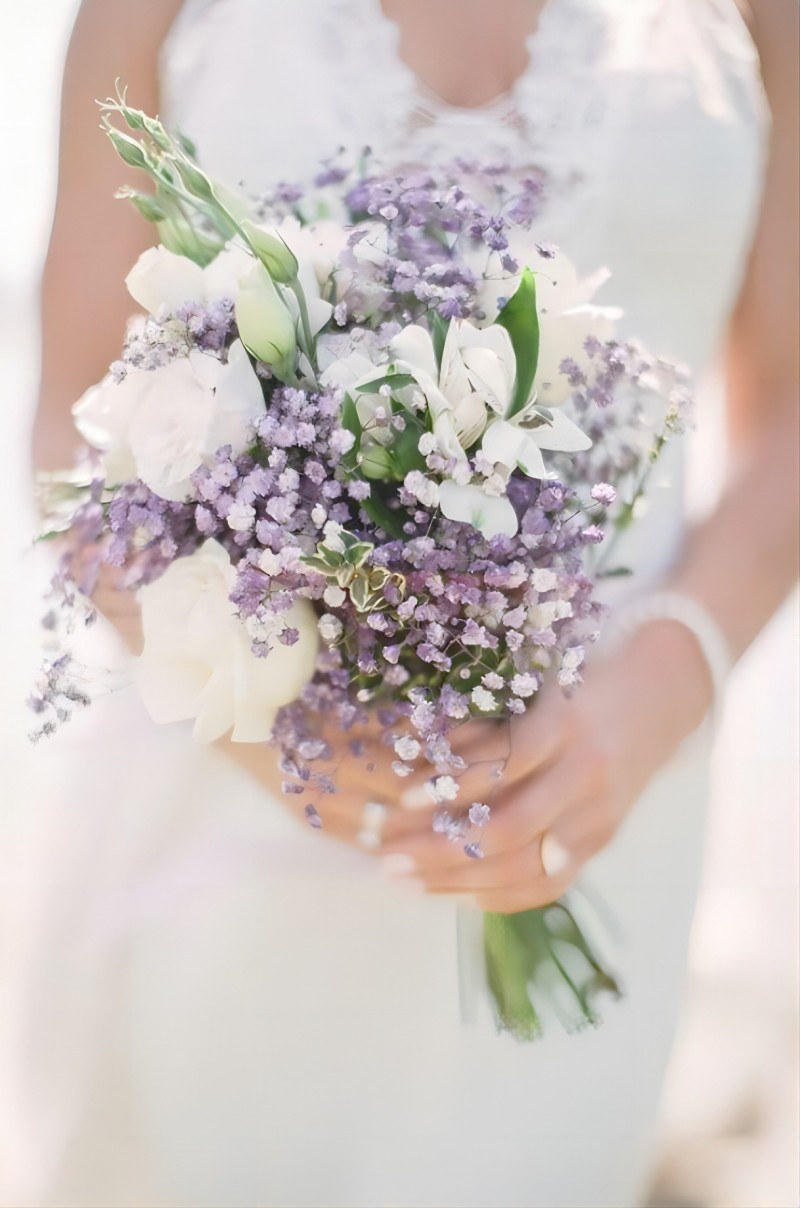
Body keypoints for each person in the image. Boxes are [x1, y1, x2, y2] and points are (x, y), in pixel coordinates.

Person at [7, 0, 796, 1204]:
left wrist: (667, 677)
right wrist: (283, 735)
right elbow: (74, 409)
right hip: (238, 816)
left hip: (603, 802)